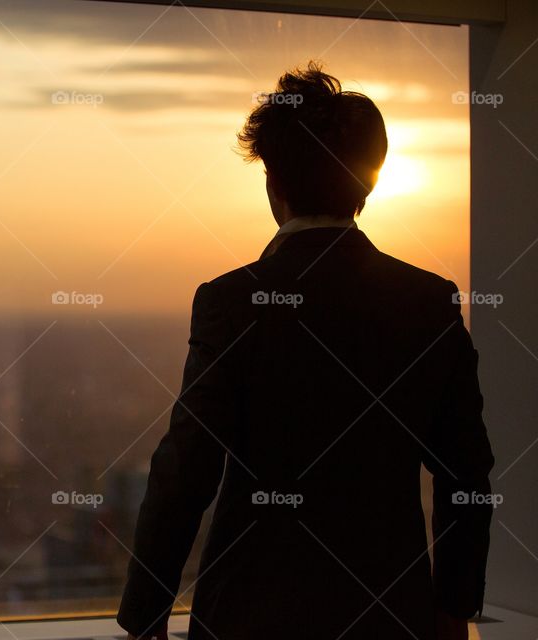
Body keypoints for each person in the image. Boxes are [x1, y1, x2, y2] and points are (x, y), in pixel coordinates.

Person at [117, 62, 495, 640]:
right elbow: (466, 474)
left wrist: (144, 617)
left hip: (248, 617)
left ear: (274, 182)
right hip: (392, 619)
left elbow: (185, 473)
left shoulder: (231, 303)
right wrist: (453, 610)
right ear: (368, 183)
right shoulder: (428, 302)